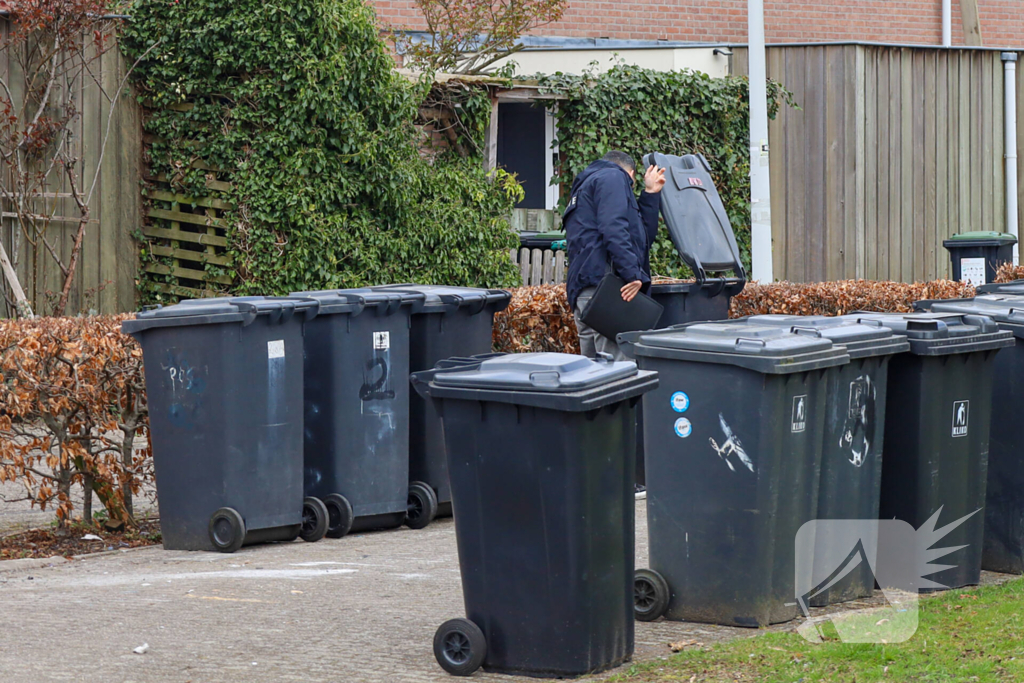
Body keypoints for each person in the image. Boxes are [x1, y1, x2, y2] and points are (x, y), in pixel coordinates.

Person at [564, 150, 666, 361]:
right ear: (630, 174)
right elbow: (614, 228)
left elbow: (641, 237)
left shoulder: (585, 187)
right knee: (617, 374)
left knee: (592, 375)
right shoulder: (614, 177)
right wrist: (632, 274)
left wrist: (650, 193)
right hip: (609, 291)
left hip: (585, 292)